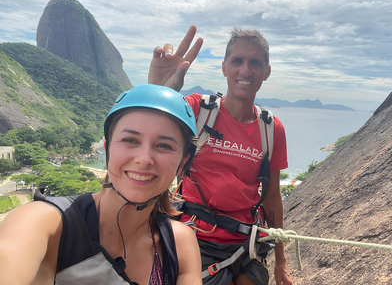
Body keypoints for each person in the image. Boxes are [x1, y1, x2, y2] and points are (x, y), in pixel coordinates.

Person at [0, 84, 202, 285]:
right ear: (107, 150)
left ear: (182, 164)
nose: (144, 159)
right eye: (130, 140)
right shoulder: (47, 223)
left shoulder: (179, 243)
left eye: (164, 146)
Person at [149, 26, 292, 285]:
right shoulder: (196, 110)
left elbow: (272, 197)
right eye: (237, 61)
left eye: (255, 63)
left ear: (266, 72)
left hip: (245, 243)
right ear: (224, 67)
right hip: (194, 236)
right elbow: (149, 134)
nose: (245, 70)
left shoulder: (271, 129)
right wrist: (158, 92)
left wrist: (281, 261)